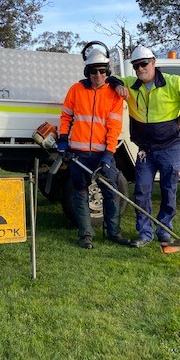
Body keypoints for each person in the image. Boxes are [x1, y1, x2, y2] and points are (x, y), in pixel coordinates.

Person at [114, 46, 180, 248]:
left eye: (143, 64)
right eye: (136, 65)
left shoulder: (173, 83)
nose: (140, 68)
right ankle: (144, 233)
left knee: (168, 191)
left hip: (169, 148)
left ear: (153, 62)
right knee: (141, 191)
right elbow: (112, 80)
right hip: (145, 150)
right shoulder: (131, 84)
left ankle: (164, 230)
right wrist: (117, 84)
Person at [57, 44, 131, 249]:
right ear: (86, 72)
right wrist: (63, 139)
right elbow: (66, 116)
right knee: (80, 193)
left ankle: (114, 233)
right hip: (78, 154)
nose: (98, 74)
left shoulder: (114, 94)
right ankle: (86, 234)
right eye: (93, 70)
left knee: (111, 192)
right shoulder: (76, 90)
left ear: (107, 72)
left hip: (102, 154)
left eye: (102, 70)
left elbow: (114, 126)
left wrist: (109, 153)